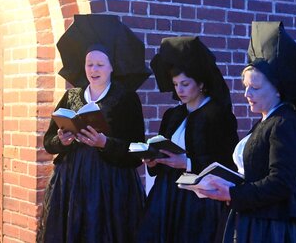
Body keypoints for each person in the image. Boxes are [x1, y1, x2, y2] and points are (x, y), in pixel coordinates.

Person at [199, 22, 296, 242]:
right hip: (254, 219)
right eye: (245, 86)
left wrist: (233, 194)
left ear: (278, 90)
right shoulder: (267, 120)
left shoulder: (286, 123)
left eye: (255, 87)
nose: (246, 93)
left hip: (272, 228)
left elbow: (281, 182)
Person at [38, 45, 146, 243]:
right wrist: (61, 141)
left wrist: (105, 143)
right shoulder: (71, 97)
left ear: (112, 67)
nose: (94, 70)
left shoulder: (126, 98)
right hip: (70, 182)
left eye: (100, 64)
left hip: (111, 184)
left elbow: (137, 151)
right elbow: (48, 142)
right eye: (90, 64)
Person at [136, 36, 239, 243]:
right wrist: (154, 160)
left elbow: (227, 163)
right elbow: (161, 158)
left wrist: (187, 163)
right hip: (166, 195)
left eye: (185, 84)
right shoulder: (172, 116)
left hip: (199, 200)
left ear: (200, 84)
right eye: (175, 85)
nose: (179, 90)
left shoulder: (218, 115)